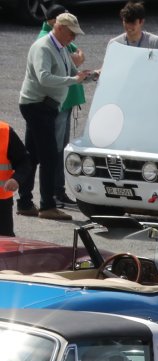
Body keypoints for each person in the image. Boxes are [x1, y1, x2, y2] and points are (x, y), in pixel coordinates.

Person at [18, 11, 89, 221]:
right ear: (58, 28)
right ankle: (47, 205)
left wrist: (89, 76)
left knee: (32, 155)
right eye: (71, 33)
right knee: (48, 156)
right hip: (37, 106)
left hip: (44, 106)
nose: (73, 37)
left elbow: (71, 73)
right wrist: (73, 80)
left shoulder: (62, 47)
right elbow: (44, 77)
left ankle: (24, 202)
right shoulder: (43, 47)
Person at [0, 120, 32, 238]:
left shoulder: (4, 131)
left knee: (5, 242)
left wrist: (16, 179)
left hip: (1, 204)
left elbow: (24, 161)